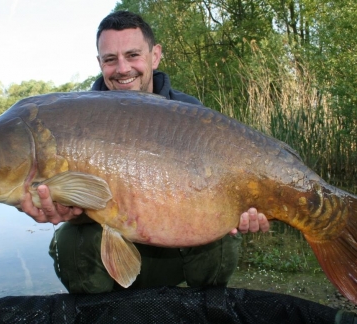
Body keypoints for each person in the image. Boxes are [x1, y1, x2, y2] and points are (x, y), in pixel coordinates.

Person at [21, 11, 269, 294]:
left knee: (224, 237)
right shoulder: (77, 120)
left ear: (155, 55)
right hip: (109, 251)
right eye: (110, 59)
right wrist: (67, 210)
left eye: (133, 55)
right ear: (100, 63)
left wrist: (246, 208)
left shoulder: (191, 114)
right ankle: (103, 311)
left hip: (174, 247)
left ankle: (203, 305)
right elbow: (88, 201)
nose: (123, 68)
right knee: (70, 242)